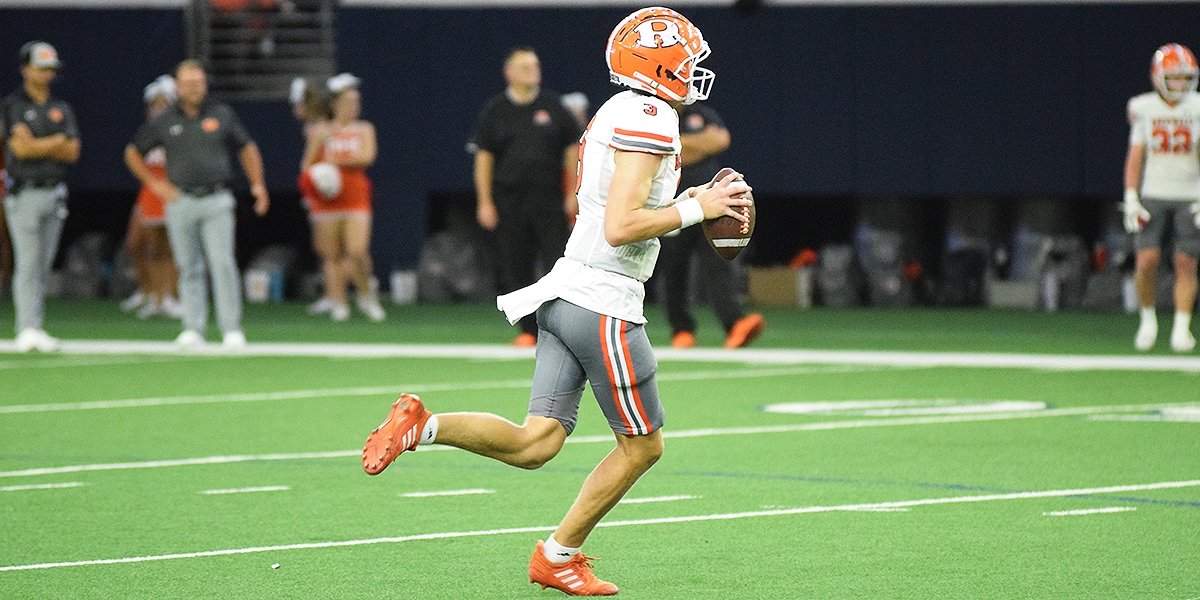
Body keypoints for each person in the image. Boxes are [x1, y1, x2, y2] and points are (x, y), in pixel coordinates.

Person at [362, 8, 750, 595]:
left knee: (536, 442)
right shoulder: (651, 115)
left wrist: (691, 199)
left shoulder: (621, 109)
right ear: (659, 63)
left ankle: (424, 426)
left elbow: (620, 210)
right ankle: (558, 554)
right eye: (686, 58)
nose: (695, 69)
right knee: (643, 446)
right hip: (604, 301)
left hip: (567, 289)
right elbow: (622, 225)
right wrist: (700, 210)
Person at [124, 59, 269, 349]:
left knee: (222, 263)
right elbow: (133, 151)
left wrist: (257, 184)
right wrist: (156, 184)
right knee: (187, 265)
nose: (193, 89)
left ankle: (231, 328)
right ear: (177, 86)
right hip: (181, 199)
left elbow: (247, 147)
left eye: (198, 83)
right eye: (187, 83)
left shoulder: (221, 114)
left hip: (216, 197)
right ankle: (193, 326)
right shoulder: (166, 118)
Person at [469, 47, 582, 346]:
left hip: (548, 200)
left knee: (558, 263)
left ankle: (562, 328)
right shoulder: (495, 110)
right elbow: (484, 158)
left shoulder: (553, 106)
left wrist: (572, 192)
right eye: (526, 66)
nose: (534, 70)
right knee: (516, 264)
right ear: (510, 72)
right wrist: (484, 202)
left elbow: (573, 148)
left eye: (536, 64)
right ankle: (529, 331)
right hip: (509, 201)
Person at [656, 102, 765, 349]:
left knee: (720, 262)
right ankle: (681, 329)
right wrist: (699, 145)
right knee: (673, 267)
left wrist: (678, 145)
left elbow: (720, 141)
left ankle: (735, 323)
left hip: (710, 203)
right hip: (675, 202)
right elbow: (660, 153)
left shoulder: (700, 113)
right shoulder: (657, 115)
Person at [2, 41, 79, 353]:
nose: (47, 73)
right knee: (28, 262)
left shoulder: (61, 107)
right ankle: (26, 327)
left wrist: (39, 143)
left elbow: (72, 151)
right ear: (25, 69)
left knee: (43, 264)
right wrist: (54, 142)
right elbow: (20, 149)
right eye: (40, 67)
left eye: (50, 68)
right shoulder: (12, 106)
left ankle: (36, 324)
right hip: (25, 192)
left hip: (54, 191)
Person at [1122, 43, 1200, 352]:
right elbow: (1135, 155)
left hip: (1190, 195)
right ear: (1158, 77)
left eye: (1185, 77)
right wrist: (1130, 195)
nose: (1180, 83)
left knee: (1186, 262)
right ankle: (1148, 320)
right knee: (1147, 260)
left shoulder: (1196, 107)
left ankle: (1182, 327)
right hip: (1154, 192)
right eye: (1174, 77)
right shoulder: (1144, 107)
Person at [298, 72, 385, 322]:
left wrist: (335, 160)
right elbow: (307, 165)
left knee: (357, 251)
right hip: (327, 201)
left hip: (356, 197)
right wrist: (319, 146)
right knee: (331, 254)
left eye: (356, 102)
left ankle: (367, 295)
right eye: (348, 102)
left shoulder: (364, 129)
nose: (353, 107)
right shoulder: (320, 131)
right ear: (335, 105)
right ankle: (339, 302)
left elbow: (367, 157)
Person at [120, 75, 182, 320]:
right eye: (155, 104)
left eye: (163, 103)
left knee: (171, 248)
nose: (158, 109)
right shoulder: (149, 131)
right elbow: (133, 155)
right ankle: (153, 294)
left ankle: (170, 296)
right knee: (142, 244)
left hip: (170, 190)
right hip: (150, 190)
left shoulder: (178, 127)